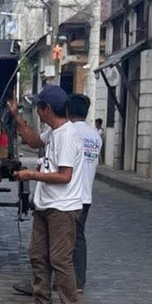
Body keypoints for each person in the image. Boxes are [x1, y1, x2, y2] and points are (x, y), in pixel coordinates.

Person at [6, 85, 84, 304]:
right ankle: (41, 300)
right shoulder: (54, 133)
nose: (37, 113)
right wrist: (16, 116)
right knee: (37, 254)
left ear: (47, 109)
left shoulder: (68, 136)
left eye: (38, 108)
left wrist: (31, 175)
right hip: (46, 205)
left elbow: (64, 176)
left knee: (60, 258)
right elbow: (32, 140)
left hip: (63, 207)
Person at [67, 94, 103, 292]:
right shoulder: (95, 136)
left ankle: (67, 282)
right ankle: (78, 281)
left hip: (69, 195)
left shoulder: (69, 132)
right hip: (86, 195)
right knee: (78, 237)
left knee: (62, 240)